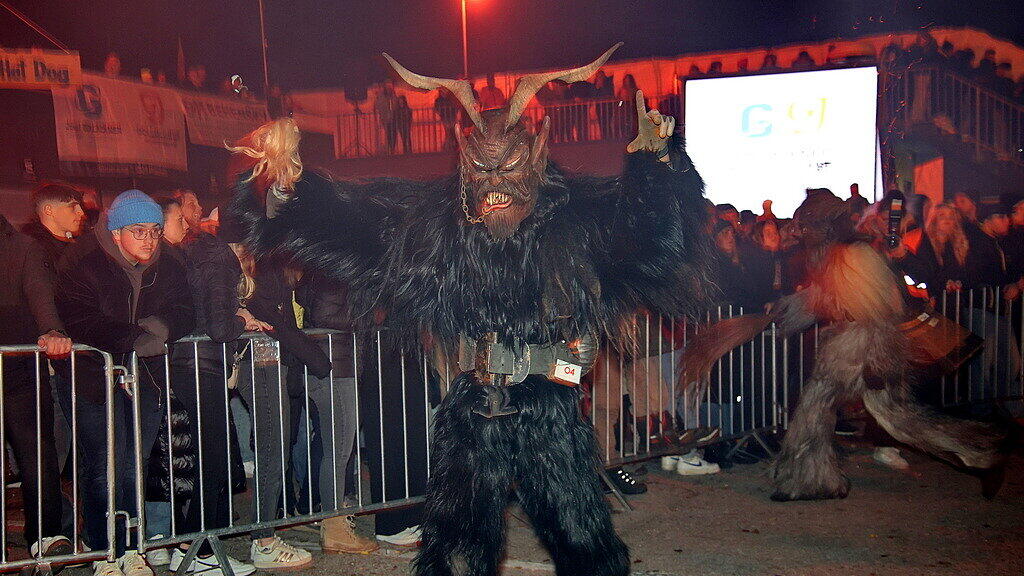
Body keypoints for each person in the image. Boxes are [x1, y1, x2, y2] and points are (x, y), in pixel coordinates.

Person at [226, 42, 715, 576]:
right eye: (482, 176)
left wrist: (656, 167)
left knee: (580, 536)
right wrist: (283, 191)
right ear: (464, 166)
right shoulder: (441, 226)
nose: (494, 192)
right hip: (474, 402)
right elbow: (355, 228)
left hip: (549, 401)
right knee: (458, 543)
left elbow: (655, 244)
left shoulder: (575, 219)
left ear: (536, 156)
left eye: (507, 175)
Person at [55, 190, 194, 576]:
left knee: (137, 461)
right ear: (116, 233)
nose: (149, 240)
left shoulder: (169, 265)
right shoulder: (84, 262)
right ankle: (104, 549)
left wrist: (161, 327)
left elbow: (185, 308)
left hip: (143, 378)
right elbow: (79, 317)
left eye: (154, 231)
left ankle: (132, 546)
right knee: (103, 465)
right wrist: (132, 338)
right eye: (139, 231)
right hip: (92, 379)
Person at [152, 197, 261, 575]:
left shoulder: (195, 255)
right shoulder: (215, 258)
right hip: (201, 365)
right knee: (211, 460)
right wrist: (240, 323)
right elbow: (216, 326)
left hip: (188, 364)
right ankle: (199, 551)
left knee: (201, 460)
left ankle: (191, 546)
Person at [0, 215, 74, 561]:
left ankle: (46, 533)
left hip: (18, 365)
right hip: (17, 361)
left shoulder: (22, 246)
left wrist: (53, 329)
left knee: (37, 449)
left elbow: (41, 295)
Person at [22, 182, 87, 267]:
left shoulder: (80, 243)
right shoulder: (34, 250)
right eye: (72, 207)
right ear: (49, 210)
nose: (81, 212)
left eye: (80, 207)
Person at [374, 80, 400, 154]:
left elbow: (395, 105)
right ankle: (389, 148)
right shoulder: (382, 97)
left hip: (394, 118)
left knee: (393, 133)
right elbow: (379, 106)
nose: (389, 87)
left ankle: (392, 148)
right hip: (386, 118)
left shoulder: (393, 95)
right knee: (389, 133)